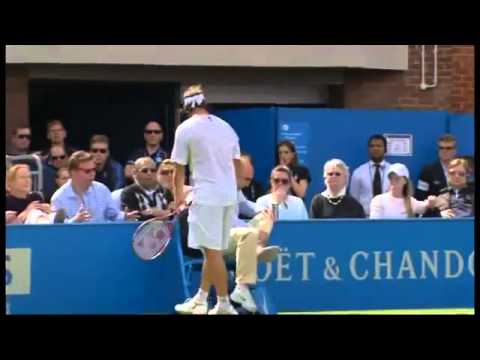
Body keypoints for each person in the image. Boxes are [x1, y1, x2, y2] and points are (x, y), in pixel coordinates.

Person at [172, 84, 241, 315]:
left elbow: (178, 171)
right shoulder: (227, 127)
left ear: (186, 106)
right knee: (214, 254)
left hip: (207, 198)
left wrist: (178, 200)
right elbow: (237, 165)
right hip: (229, 197)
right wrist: (233, 188)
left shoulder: (185, 129)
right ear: (204, 103)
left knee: (211, 253)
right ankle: (201, 299)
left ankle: (223, 303)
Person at [51, 151, 139, 223]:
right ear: (73, 172)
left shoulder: (102, 189)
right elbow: (58, 227)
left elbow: (113, 215)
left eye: (94, 170)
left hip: (100, 238)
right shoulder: (58, 198)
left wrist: (125, 216)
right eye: (87, 171)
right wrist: (74, 221)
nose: (92, 174)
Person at [370, 163, 437, 219]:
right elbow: (374, 225)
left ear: (405, 180)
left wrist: (431, 201)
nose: (393, 181)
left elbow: (425, 206)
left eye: (397, 178)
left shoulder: (411, 201)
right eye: (390, 178)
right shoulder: (378, 200)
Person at [415, 134, 459, 217]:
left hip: (461, 218)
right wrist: (435, 208)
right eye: (441, 148)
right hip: (437, 218)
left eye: (448, 148)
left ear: (455, 150)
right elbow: (419, 198)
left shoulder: (463, 170)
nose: (444, 151)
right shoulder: (427, 171)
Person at [350, 134, 392, 217]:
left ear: (385, 149)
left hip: (389, 218)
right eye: (372, 146)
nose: (375, 148)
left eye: (379, 146)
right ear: (368, 149)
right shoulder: (358, 172)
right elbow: (354, 198)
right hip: (365, 218)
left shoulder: (393, 171)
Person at [120, 157, 174, 222]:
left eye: (153, 170)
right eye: (144, 171)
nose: (149, 173)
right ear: (135, 173)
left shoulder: (165, 191)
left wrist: (150, 213)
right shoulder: (128, 192)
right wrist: (156, 213)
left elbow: (173, 213)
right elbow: (134, 216)